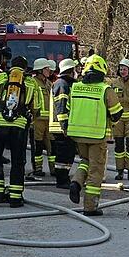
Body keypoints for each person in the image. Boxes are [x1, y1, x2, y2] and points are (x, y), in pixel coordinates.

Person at [67, 55, 123, 216]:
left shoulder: (75, 87)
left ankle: (76, 182)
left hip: (78, 135)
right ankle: (90, 207)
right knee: (96, 170)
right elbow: (117, 113)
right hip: (97, 137)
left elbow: (69, 108)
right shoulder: (105, 90)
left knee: (85, 161)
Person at [0, 56, 31, 207]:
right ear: (25, 68)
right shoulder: (31, 82)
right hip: (19, 126)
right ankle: (15, 197)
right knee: (18, 161)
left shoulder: (1, 77)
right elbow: (36, 108)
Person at [49, 59, 78, 189]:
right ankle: (61, 180)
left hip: (64, 126)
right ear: (71, 71)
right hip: (60, 127)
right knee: (63, 155)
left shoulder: (66, 83)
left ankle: (64, 177)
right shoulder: (61, 84)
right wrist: (64, 126)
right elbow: (61, 106)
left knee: (68, 153)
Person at [27, 58, 55, 178]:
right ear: (39, 70)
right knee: (37, 145)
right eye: (46, 68)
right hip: (37, 120)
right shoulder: (32, 83)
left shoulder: (49, 83)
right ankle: (37, 168)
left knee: (51, 146)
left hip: (49, 120)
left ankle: (53, 169)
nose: (49, 70)